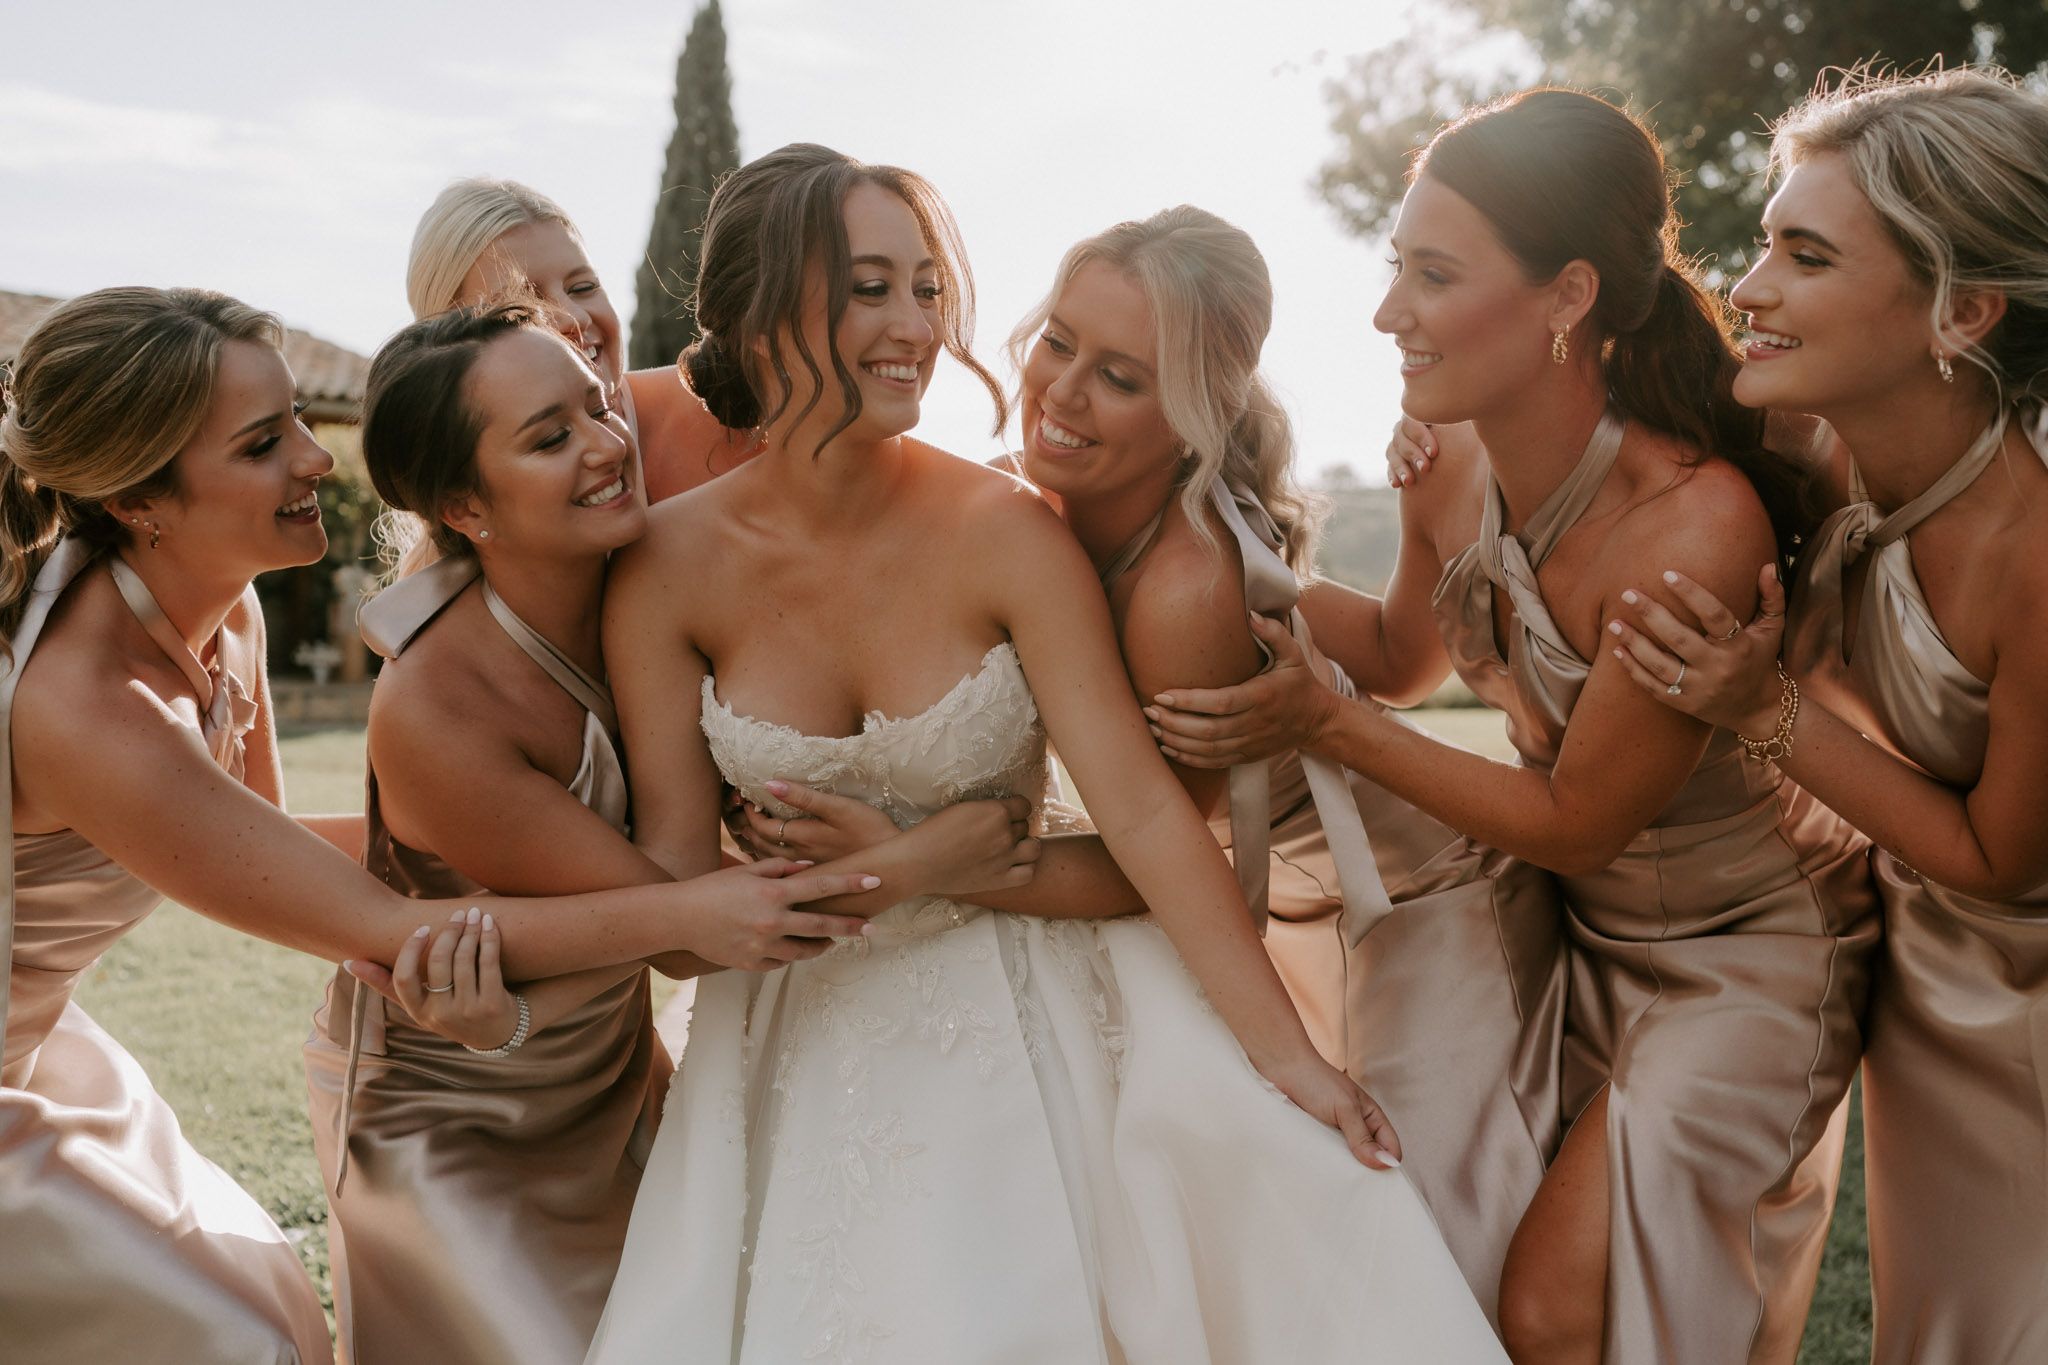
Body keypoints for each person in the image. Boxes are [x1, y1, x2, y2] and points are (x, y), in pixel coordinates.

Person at [584, 143, 1507, 1365]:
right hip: (789, 1034)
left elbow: (1145, 814)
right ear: (762, 313)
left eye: (925, 288)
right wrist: (852, 880)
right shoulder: (660, 569)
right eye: (869, 288)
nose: (915, 325)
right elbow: (673, 900)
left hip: (1034, 1005)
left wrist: (1290, 1059)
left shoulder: (1008, 528)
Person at [0, 286, 878, 1365]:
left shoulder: (227, 613)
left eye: (297, 421)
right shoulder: (91, 713)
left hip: (42, 1044)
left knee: (278, 1321)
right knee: (239, 1343)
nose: (315, 459)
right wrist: (691, 910)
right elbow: (379, 925)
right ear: (143, 499)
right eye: (264, 444)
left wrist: (455, 841)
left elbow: (268, 841)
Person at [1148, 90, 1877, 1365]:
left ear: (1566, 297)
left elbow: (1577, 818)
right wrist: (1205, 556)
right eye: (1395, 268)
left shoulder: (1689, 526)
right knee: (1454, 1259)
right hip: (1571, 929)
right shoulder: (1448, 456)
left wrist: (1324, 721)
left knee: (1553, 1307)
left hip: (1745, 955)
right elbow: (1396, 653)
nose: (1388, 312)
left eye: (1433, 276)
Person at [300, 302, 1030, 1365]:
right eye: (549, 439)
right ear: (464, 506)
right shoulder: (440, 706)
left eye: (598, 408)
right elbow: (687, 929)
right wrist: (925, 858)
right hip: (460, 1116)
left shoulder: (646, 566)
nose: (606, 445)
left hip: (617, 1084)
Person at [990, 203, 1563, 1323]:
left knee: (1420, 1231)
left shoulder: (1185, 584)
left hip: (1420, 905)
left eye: (1120, 377)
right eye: (1058, 341)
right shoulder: (1030, 499)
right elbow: (1387, 657)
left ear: (1194, 415)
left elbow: (1153, 860)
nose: (1062, 392)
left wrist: (956, 866)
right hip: (1275, 908)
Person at [1606, 67, 2048, 1365]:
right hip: (1934, 985)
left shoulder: (2035, 552)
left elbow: (1998, 857)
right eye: (1763, 244)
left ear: (1959, 312)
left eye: (1804, 258)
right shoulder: (1813, 449)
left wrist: (1764, 708)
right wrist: (1439, 470)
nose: (1747, 290)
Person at [405, 177, 755, 507]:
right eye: (523, 308)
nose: (575, 318)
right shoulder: (464, 501)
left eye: (583, 287)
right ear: (449, 345)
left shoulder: (727, 412)